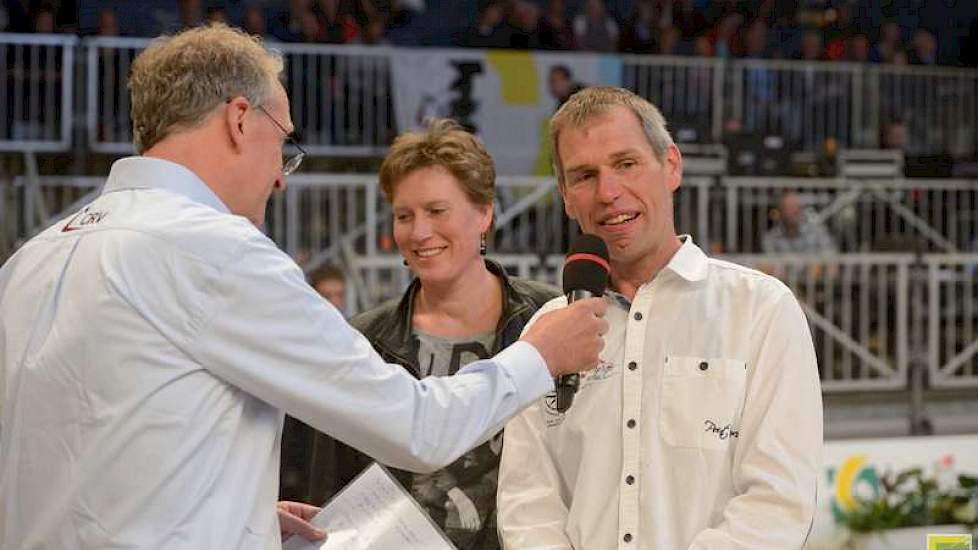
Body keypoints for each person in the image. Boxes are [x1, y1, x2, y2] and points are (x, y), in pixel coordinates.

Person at [0, 24, 608, 550]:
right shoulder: (216, 250)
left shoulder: (32, 258)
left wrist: (236, 514)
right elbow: (418, 429)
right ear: (241, 119)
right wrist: (539, 355)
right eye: (283, 144)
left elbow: (82, 455)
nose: (280, 178)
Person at [496, 87, 823, 549]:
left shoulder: (762, 310)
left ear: (671, 165)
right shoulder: (547, 331)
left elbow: (778, 503)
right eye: (585, 176)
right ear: (567, 196)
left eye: (626, 164)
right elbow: (528, 503)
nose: (609, 193)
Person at [288, 118, 562, 550]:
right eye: (404, 215)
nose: (419, 232)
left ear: (484, 213)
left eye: (437, 211)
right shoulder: (362, 340)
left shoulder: (549, 320)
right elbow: (332, 493)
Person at [762, 190, 838, 255]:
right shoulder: (771, 238)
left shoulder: (818, 232)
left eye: (798, 207)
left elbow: (831, 257)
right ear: (781, 211)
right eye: (790, 208)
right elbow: (770, 267)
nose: (796, 211)